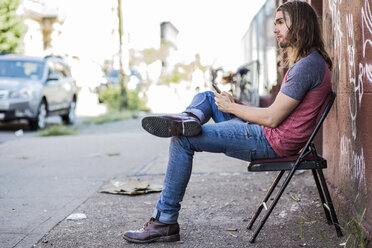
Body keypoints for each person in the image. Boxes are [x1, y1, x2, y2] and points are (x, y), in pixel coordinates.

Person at [123, 0, 333, 243]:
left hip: (271, 142)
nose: (275, 29)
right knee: (210, 98)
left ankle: (165, 221)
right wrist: (237, 105)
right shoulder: (311, 62)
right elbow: (278, 113)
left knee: (182, 140)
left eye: (280, 22)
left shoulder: (306, 66)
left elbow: (273, 119)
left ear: (300, 24)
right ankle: (188, 118)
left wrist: (232, 108)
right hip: (268, 134)